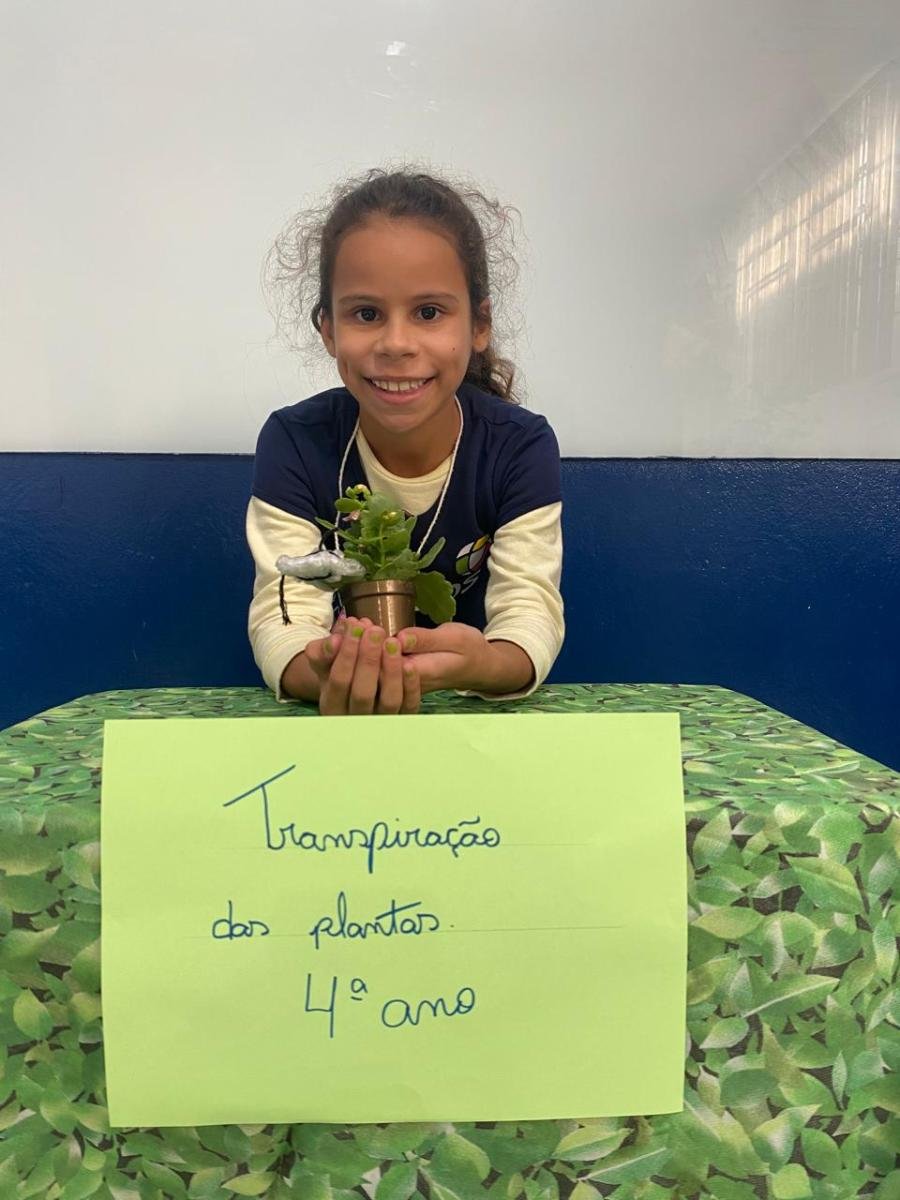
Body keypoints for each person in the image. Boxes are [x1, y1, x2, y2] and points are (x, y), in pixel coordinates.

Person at [247, 167, 564, 715]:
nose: (396, 343)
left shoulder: (518, 447)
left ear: (479, 325)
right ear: (328, 329)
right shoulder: (295, 442)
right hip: (339, 725)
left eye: (428, 312)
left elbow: (529, 617)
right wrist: (322, 672)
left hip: (470, 723)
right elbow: (283, 619)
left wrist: (487, 664)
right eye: (366, 314)